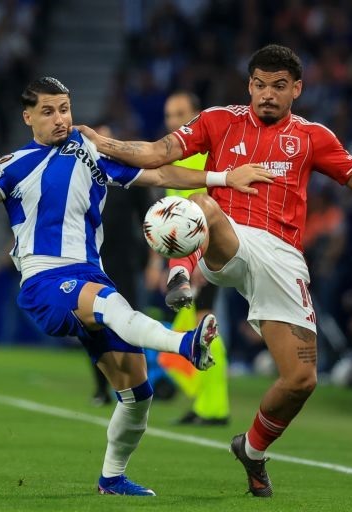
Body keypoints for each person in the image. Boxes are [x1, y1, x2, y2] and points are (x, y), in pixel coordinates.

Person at [80, 44, 352, 497]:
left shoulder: (313, 137)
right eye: (260, 84)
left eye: (279, 86)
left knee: (301, 380)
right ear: (249, 85)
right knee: (202, 203)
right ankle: (180, 275)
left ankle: (254, 450)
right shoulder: (217, 120)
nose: (267, 94)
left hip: (282, 258)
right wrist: (101, 143)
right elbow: (155, 153)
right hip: (228, 242)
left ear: (296, 89)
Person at [0, 77, 272, 496]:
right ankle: (185, 345)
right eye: (48, 111)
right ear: (27, 117)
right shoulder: (9, 166)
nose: (60, 119)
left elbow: (158, 173)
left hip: (91, 273)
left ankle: (112, 479)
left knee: (138, 393)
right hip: (45, 280)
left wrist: (223, 178)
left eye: (65, 108)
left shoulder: (91, 153)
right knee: (113, 307)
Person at [155, 90, 231, 426]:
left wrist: (200, 262)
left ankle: (215, 407)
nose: (173, 121)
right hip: (185, 260)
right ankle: (206, 402)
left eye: (179, 114)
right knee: (188, 339)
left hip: (204, 257)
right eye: (169, 115)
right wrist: (161, 262)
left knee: (205, 326)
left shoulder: (204, 157)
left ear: (196, 115)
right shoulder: (174, 158)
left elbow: (212, 211)